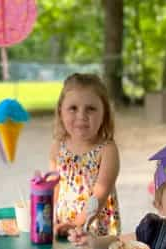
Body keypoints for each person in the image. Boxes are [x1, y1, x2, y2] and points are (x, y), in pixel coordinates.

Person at [50, 73, 121, 238]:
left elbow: (100, 195)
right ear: (61, 111)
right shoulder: (57, 147)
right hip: (62, 226)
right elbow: (54, 188)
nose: (81, 116)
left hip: (94, 230)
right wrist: (51, 220)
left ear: (104, 114)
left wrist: (76, 225)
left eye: (91, 109)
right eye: (73, 108)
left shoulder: (107, 150)